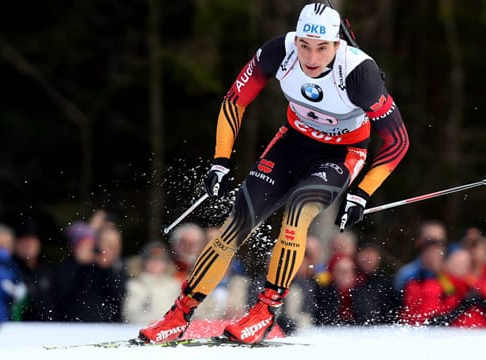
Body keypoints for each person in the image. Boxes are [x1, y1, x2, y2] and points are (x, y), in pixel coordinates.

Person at [139, 2, 409, 344]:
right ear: (296, 39)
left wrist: (363, 191)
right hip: (291, 143)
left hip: (341, 154)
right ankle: (178, 316)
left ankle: (265, 313)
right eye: (305, 46)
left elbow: (397, 141)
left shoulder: (358, 73)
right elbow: (234, 101)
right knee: (235, 224)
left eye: (322, 48)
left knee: (296, 214)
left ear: (337, 45)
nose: (311, 57)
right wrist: (220, 160)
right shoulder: (278, 50)